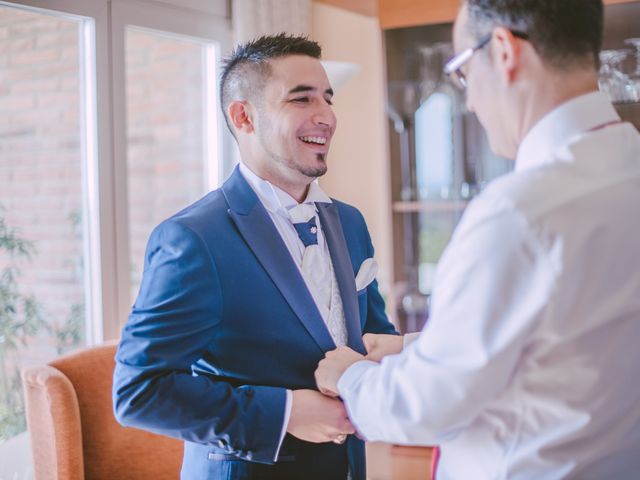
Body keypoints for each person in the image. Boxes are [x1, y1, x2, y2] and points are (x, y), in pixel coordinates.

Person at [315, 1, 640, 478]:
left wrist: (352, 377)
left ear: (504, 51)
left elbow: (427, 404)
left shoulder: (519, 211)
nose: (467, 100)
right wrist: (414, 346)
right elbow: (575, 331)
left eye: (462, 70)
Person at [113, 33, 396, 480]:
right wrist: (284, 412)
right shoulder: (193, 238)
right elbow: (138, 392)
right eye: (302, 100)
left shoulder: (350, 222)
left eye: (328, 99)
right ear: (244, 117)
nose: (325, 117)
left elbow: (375, 336)